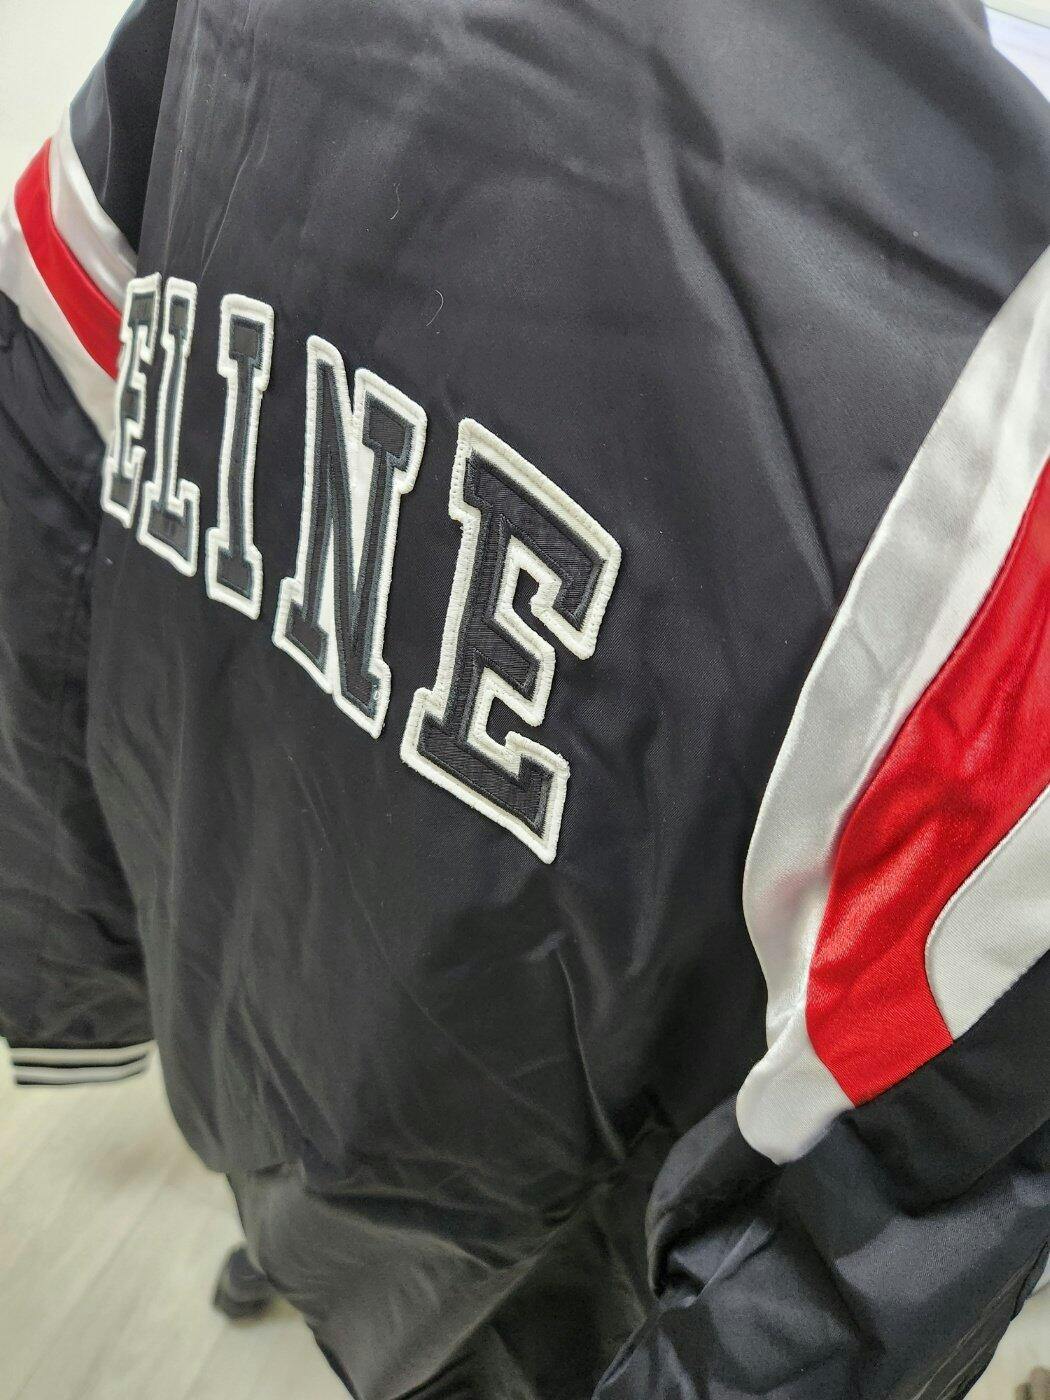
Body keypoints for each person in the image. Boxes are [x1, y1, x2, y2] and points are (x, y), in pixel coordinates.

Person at [1, 0, 1047, 1395]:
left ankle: (303, 1244)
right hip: (511, 1215)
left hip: (280, 999)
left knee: (323, 1217)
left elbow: (44, 428)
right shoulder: (997, 380)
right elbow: (892, 1190)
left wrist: (86, 964)